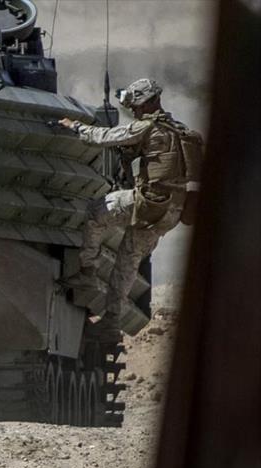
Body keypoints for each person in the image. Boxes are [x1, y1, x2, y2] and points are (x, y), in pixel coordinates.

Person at [59, 78, 202, 339]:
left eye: (135, 105)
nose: (133, 110)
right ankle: (112, 323)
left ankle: (88, 272)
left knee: (95, 212)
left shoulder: (147, 127)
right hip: (172, 211)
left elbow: (103, 137)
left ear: (146, 103)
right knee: (128, 260)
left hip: (149, 203)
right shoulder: (181, 131)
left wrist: (75, 126)